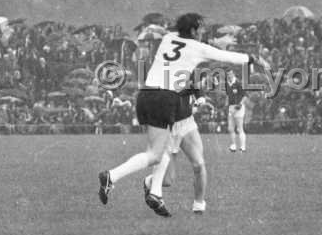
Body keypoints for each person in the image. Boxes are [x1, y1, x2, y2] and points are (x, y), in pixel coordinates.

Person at [98, 13, 264, 217]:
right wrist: (253, 59)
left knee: (162, 149)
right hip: (165, 98)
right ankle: (112, 176)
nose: (203, 32)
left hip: (146, 95)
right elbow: (228, 57)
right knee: (155, 154)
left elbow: (184, 45)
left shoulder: (168, 38)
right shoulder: (198, 48)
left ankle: (155, 193)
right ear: (193, 30)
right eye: (200, 28)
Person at [143, 88, 210, 214]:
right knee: (167, 180)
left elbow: (195, 84)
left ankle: (198, 205)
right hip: (165, 127)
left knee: (199, 164)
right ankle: (149, 182)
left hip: (186, 123)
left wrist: (200, 97)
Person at [225, 68, 248, 153]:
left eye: (230, 74)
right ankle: (233, 146)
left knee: (239, 128)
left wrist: (240, 104)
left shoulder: (238, 83)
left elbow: (245, 96)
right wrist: (226, 105)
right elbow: (228, 95)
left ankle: (243, 147)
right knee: (230, 128)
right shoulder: (227, 83)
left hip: (239, 107)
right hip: (231, 107)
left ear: (233, 74)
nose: (229, 76)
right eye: (228, 74)